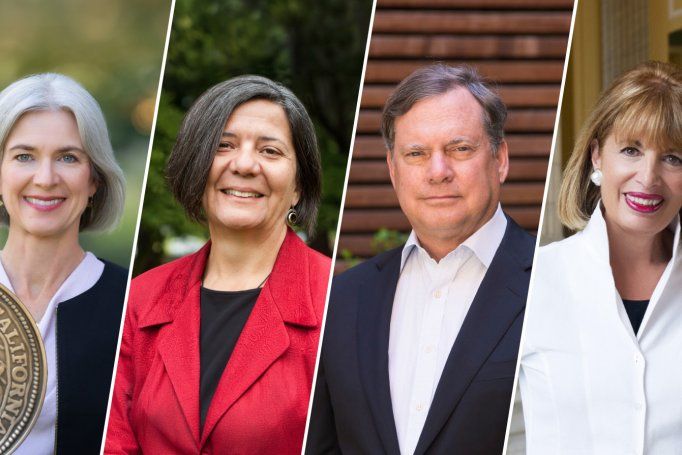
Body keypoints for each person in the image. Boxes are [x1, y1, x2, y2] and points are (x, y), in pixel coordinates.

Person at [306, 64, 535, 454]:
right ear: (394, 171)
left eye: (460, 149)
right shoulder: (342, 299)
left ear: (500, 159)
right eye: (416, 153)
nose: (438, 171)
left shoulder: (552, 284)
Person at [104, 75, 331, 454]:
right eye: (223, 146)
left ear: (299, 187)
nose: (244, 164)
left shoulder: (335, 301)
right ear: (196, 166)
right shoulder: (140, 300)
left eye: (270, 151)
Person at [519, 61, 682, 454]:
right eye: (631, 150)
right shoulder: (532, 281)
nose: (648, 177)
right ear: (597, 157)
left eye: (673, 158)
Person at [0, 73, 127, 453]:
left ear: (94, 181)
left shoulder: (129, 304)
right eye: (24, 156)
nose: (45, 178)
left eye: (68, 157)